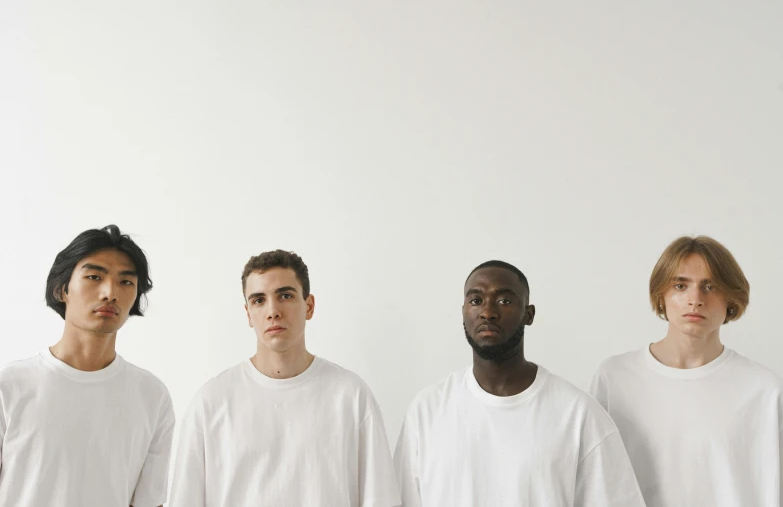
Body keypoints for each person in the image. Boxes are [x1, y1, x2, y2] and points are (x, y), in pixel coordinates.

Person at [394, 260, 645, 506]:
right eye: (476, 300)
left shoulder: (578, 413)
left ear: (529, 314)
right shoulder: (427, 409)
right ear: (463, 312)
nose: (488, 312)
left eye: (504, 301)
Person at [170, 249, 400, 507]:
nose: (273, 311)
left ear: (309, 305)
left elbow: (381, 499)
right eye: (259, 300)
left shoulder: (350, 396)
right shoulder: (210, 403)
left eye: (285, 296)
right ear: (248, 314)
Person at [591, 235, 783, 506]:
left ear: (731, 299)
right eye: (681, 285)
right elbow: (596, 482)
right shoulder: (615, 378)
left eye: (710, 286)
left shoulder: (764, 390)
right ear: (662, 296)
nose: (695, 299)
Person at [0, 224, 175, 507]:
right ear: (62, 289)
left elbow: (148, 502)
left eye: (126, 282)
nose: (110, 293)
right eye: (94, 277)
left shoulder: (152, 396)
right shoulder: (10, 385)